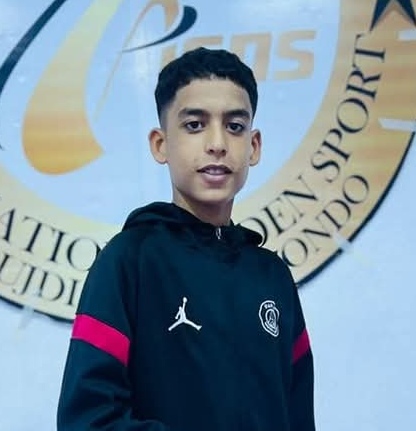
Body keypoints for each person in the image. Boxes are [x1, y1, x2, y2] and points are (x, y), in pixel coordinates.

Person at [57, 47, 315, 431]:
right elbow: (87, 419)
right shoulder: (129, 261)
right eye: (195, 125)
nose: (217, 143)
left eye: (235, 126)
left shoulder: (273, 276)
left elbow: (298, 417)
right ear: (160, 144)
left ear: (254, 146)